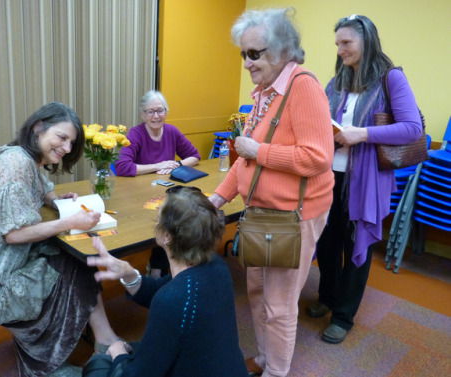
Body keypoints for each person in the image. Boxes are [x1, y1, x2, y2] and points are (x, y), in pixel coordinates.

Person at [0, 102, 121, 377]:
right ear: (38, 127)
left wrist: (56, 200)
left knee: (73, 257)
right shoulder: (15, 163)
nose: (66, 148)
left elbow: (41, 188)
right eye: (62, 138)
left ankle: (103, 339)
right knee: (72, 262)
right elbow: (13, 234)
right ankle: (45, 365)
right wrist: (68, 221)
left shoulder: (24, 157)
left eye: (71, 142)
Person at [208, 8, 334, 377]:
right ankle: (264, 359)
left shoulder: (304, 87)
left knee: (279, 305)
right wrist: (218, 198)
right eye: (242, 54)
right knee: (259, 293)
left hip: (294, 217)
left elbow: (318, 158)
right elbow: (245, 161)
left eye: (254, 53)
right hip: (262, 213)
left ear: (283, 51)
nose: (246, 63)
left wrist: (256, 150)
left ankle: (277, 372)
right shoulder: (265, 92)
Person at [306, 14, 423, 344]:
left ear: (366, 41)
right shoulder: (338, 79)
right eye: (337, 44)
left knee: (355, 246)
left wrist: (362, 134)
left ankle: (343, 315)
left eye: (347, 43)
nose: (340, 50)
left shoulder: (391, 78)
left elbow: (412, 128)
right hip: (329, 177)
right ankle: (327, 297)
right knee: (326, 243)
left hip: (366, 180)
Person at [82, 186, 248, 377]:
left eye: (158, 217)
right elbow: (164, 290)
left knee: (98, 366)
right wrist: (128, 274)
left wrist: (117, 352)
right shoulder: (216, 266)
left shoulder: (172, 300)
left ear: (167, 236)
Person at [115, 90, 201, 278]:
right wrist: (158, 166)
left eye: (160, 111)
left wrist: (176, 164)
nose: (156, 116)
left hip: (164, 194)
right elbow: (122, 166)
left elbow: (194, 156)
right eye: (150, 111)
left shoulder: (172, 131)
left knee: (172, 220)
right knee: (166, 223)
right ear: (142, 114)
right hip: (136, 196)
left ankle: (159, 267)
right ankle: (157, 269)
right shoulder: (135, 134)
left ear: (166, 112)